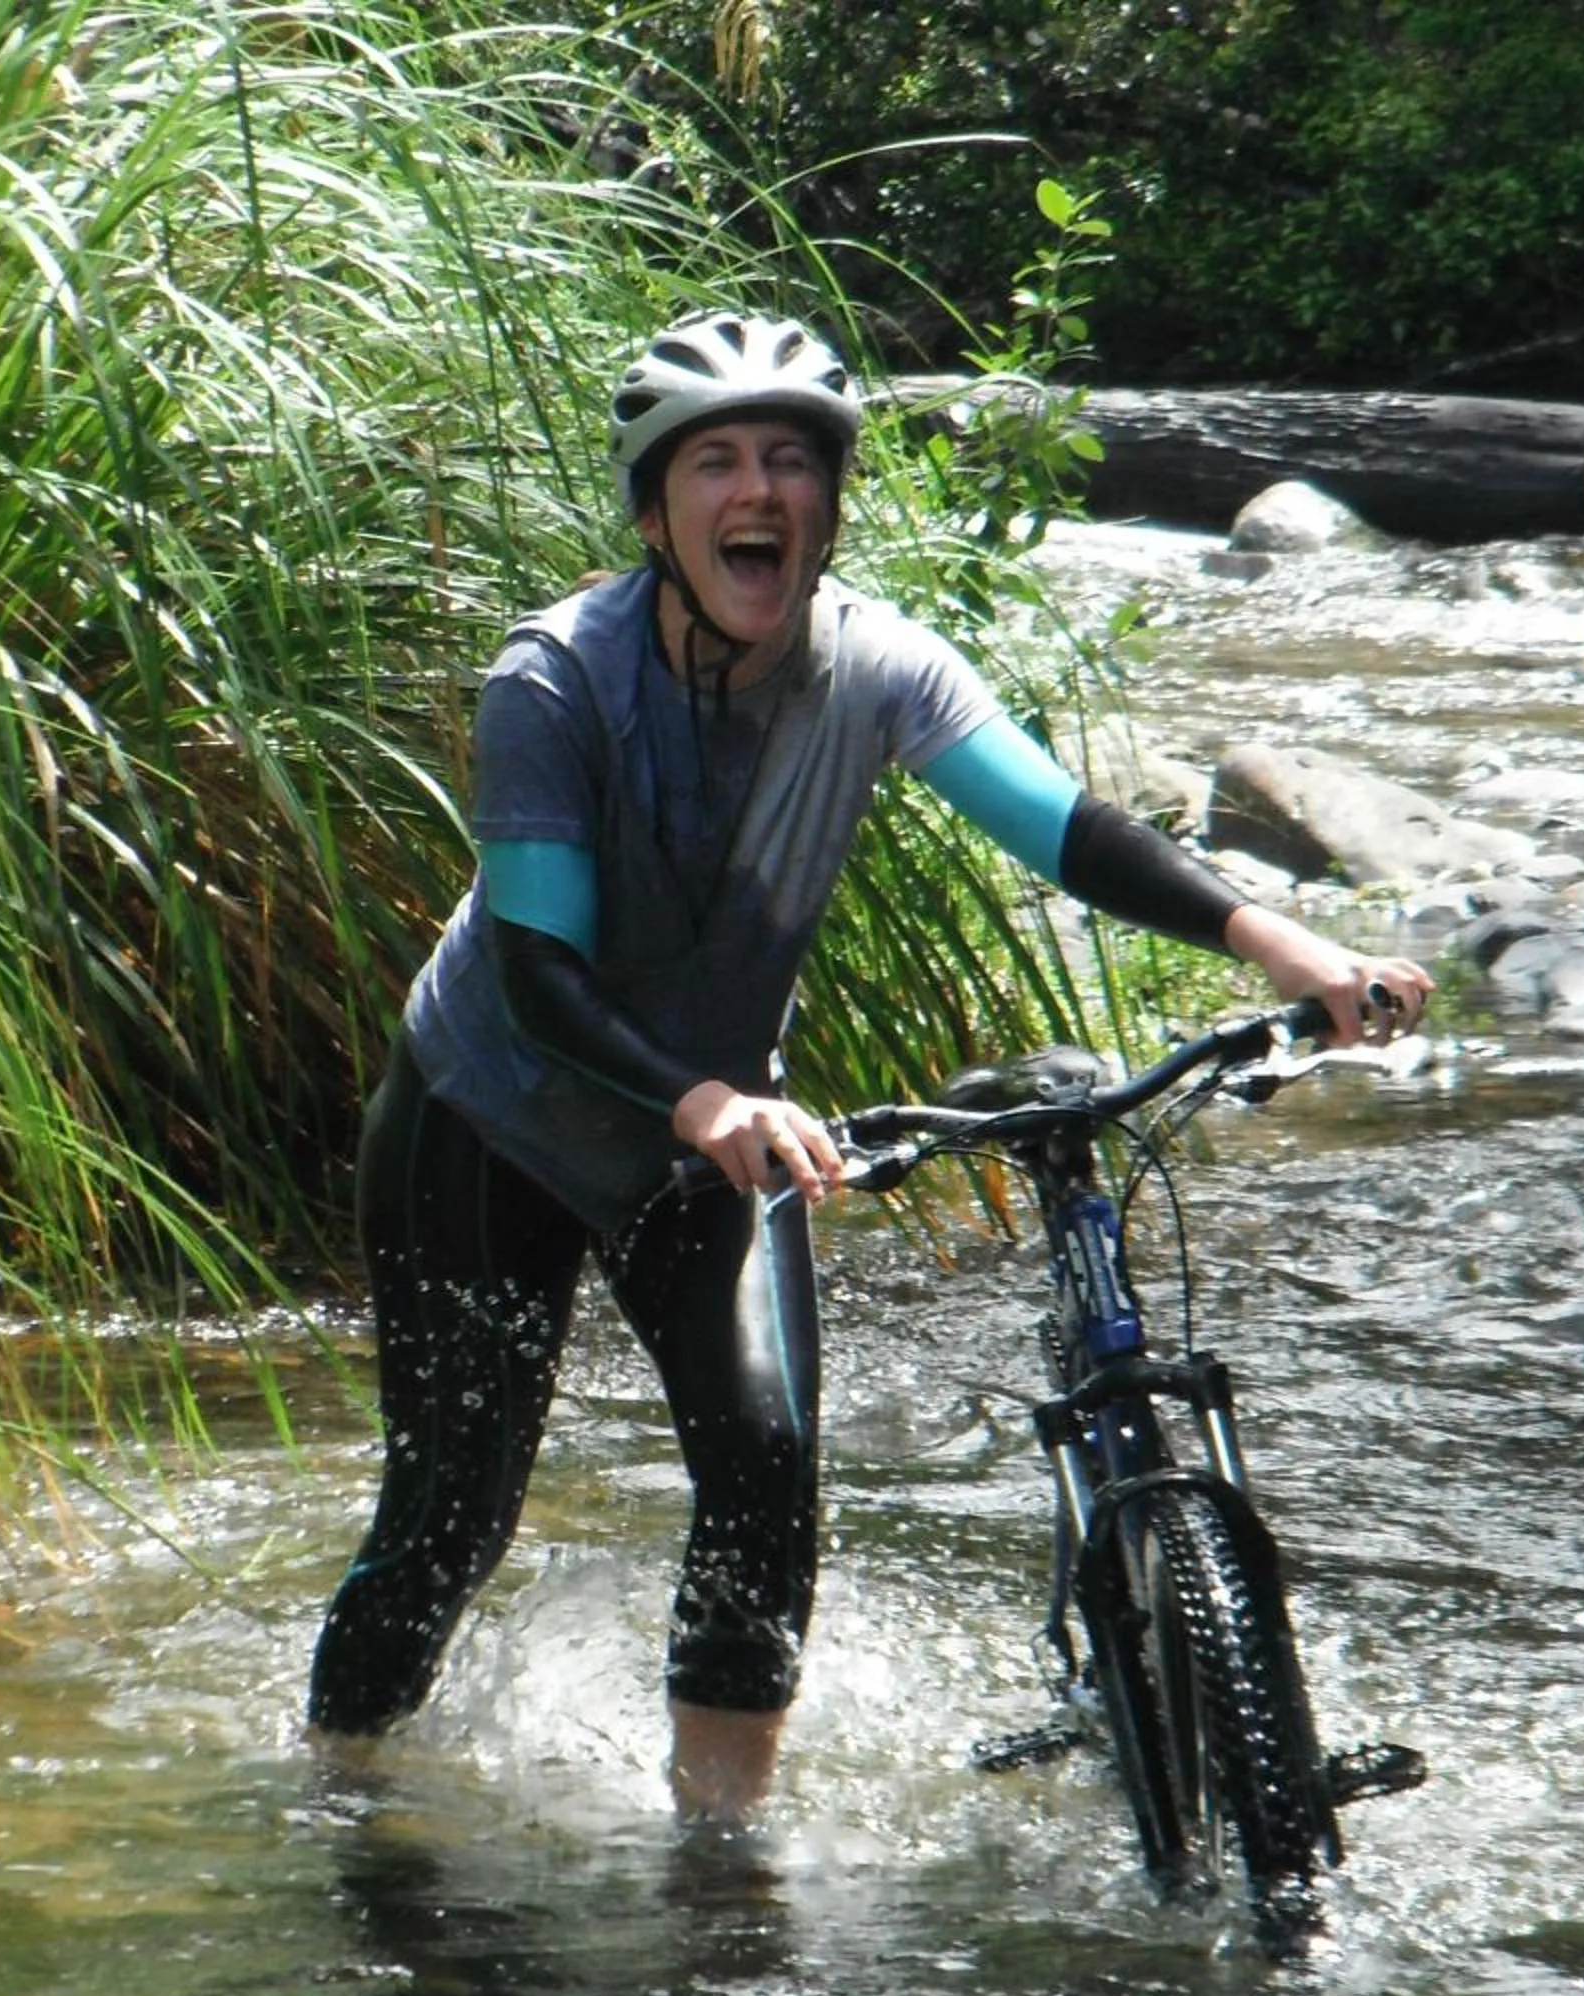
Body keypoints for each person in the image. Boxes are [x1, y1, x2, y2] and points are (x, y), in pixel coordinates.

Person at [307, 310, 1431, 1820]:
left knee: (767, 1466)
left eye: (791, 460)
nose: (758, 490)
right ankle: (343, 1802)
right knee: (452, 1511)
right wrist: (706, 1099)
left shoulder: (877, 666)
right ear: (654, 516)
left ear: (829, 505)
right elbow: (539, 977)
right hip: (487, 1122)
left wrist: (1288, 948)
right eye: (716, 461)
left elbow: (1067, 829)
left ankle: (719, 1861)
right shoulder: (554, 680)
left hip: (716, 1131)